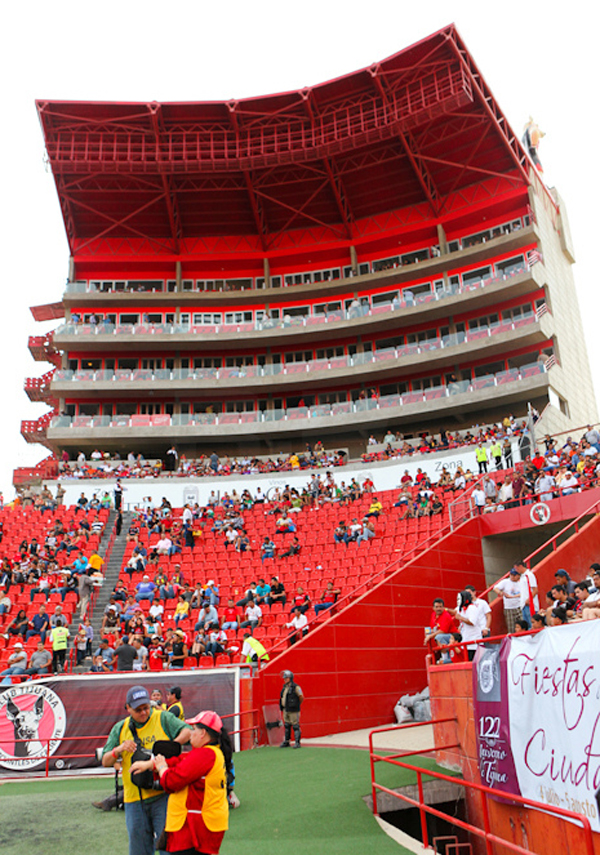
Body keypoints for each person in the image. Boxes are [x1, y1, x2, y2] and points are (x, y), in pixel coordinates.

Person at [100, 685, 191, 853]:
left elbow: (188, 731)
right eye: (138, 709)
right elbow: (105, 760)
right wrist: (118, 749)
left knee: (170, 847)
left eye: (146, 708)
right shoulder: (120, 728)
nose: (143, 713)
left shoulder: (163, 718)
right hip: (135, 800)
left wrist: (171, 746)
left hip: (164, 796)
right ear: (127, 708)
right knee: (139, 849)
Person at [129, 710, 231, 855]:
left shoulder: (205, 754)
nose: (190, 733)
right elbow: (182, 762)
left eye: (194, 729)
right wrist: (152, 764)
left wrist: (162, 768)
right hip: (199, 828)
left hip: (197, 829)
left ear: (203, 733)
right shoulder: (209, 752)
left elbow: (173, 781)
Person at [279, 669, 304, 748]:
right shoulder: (285, 687)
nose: (285, 679)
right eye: (284, 678)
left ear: (291, 678)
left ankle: (297, 742)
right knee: (287, 725)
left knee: (295, 726)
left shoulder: (296, 687)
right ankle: (287, 741)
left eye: (287, 678)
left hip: (293, 710)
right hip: (286, 709)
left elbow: (301, 696)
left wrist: (296, 704)